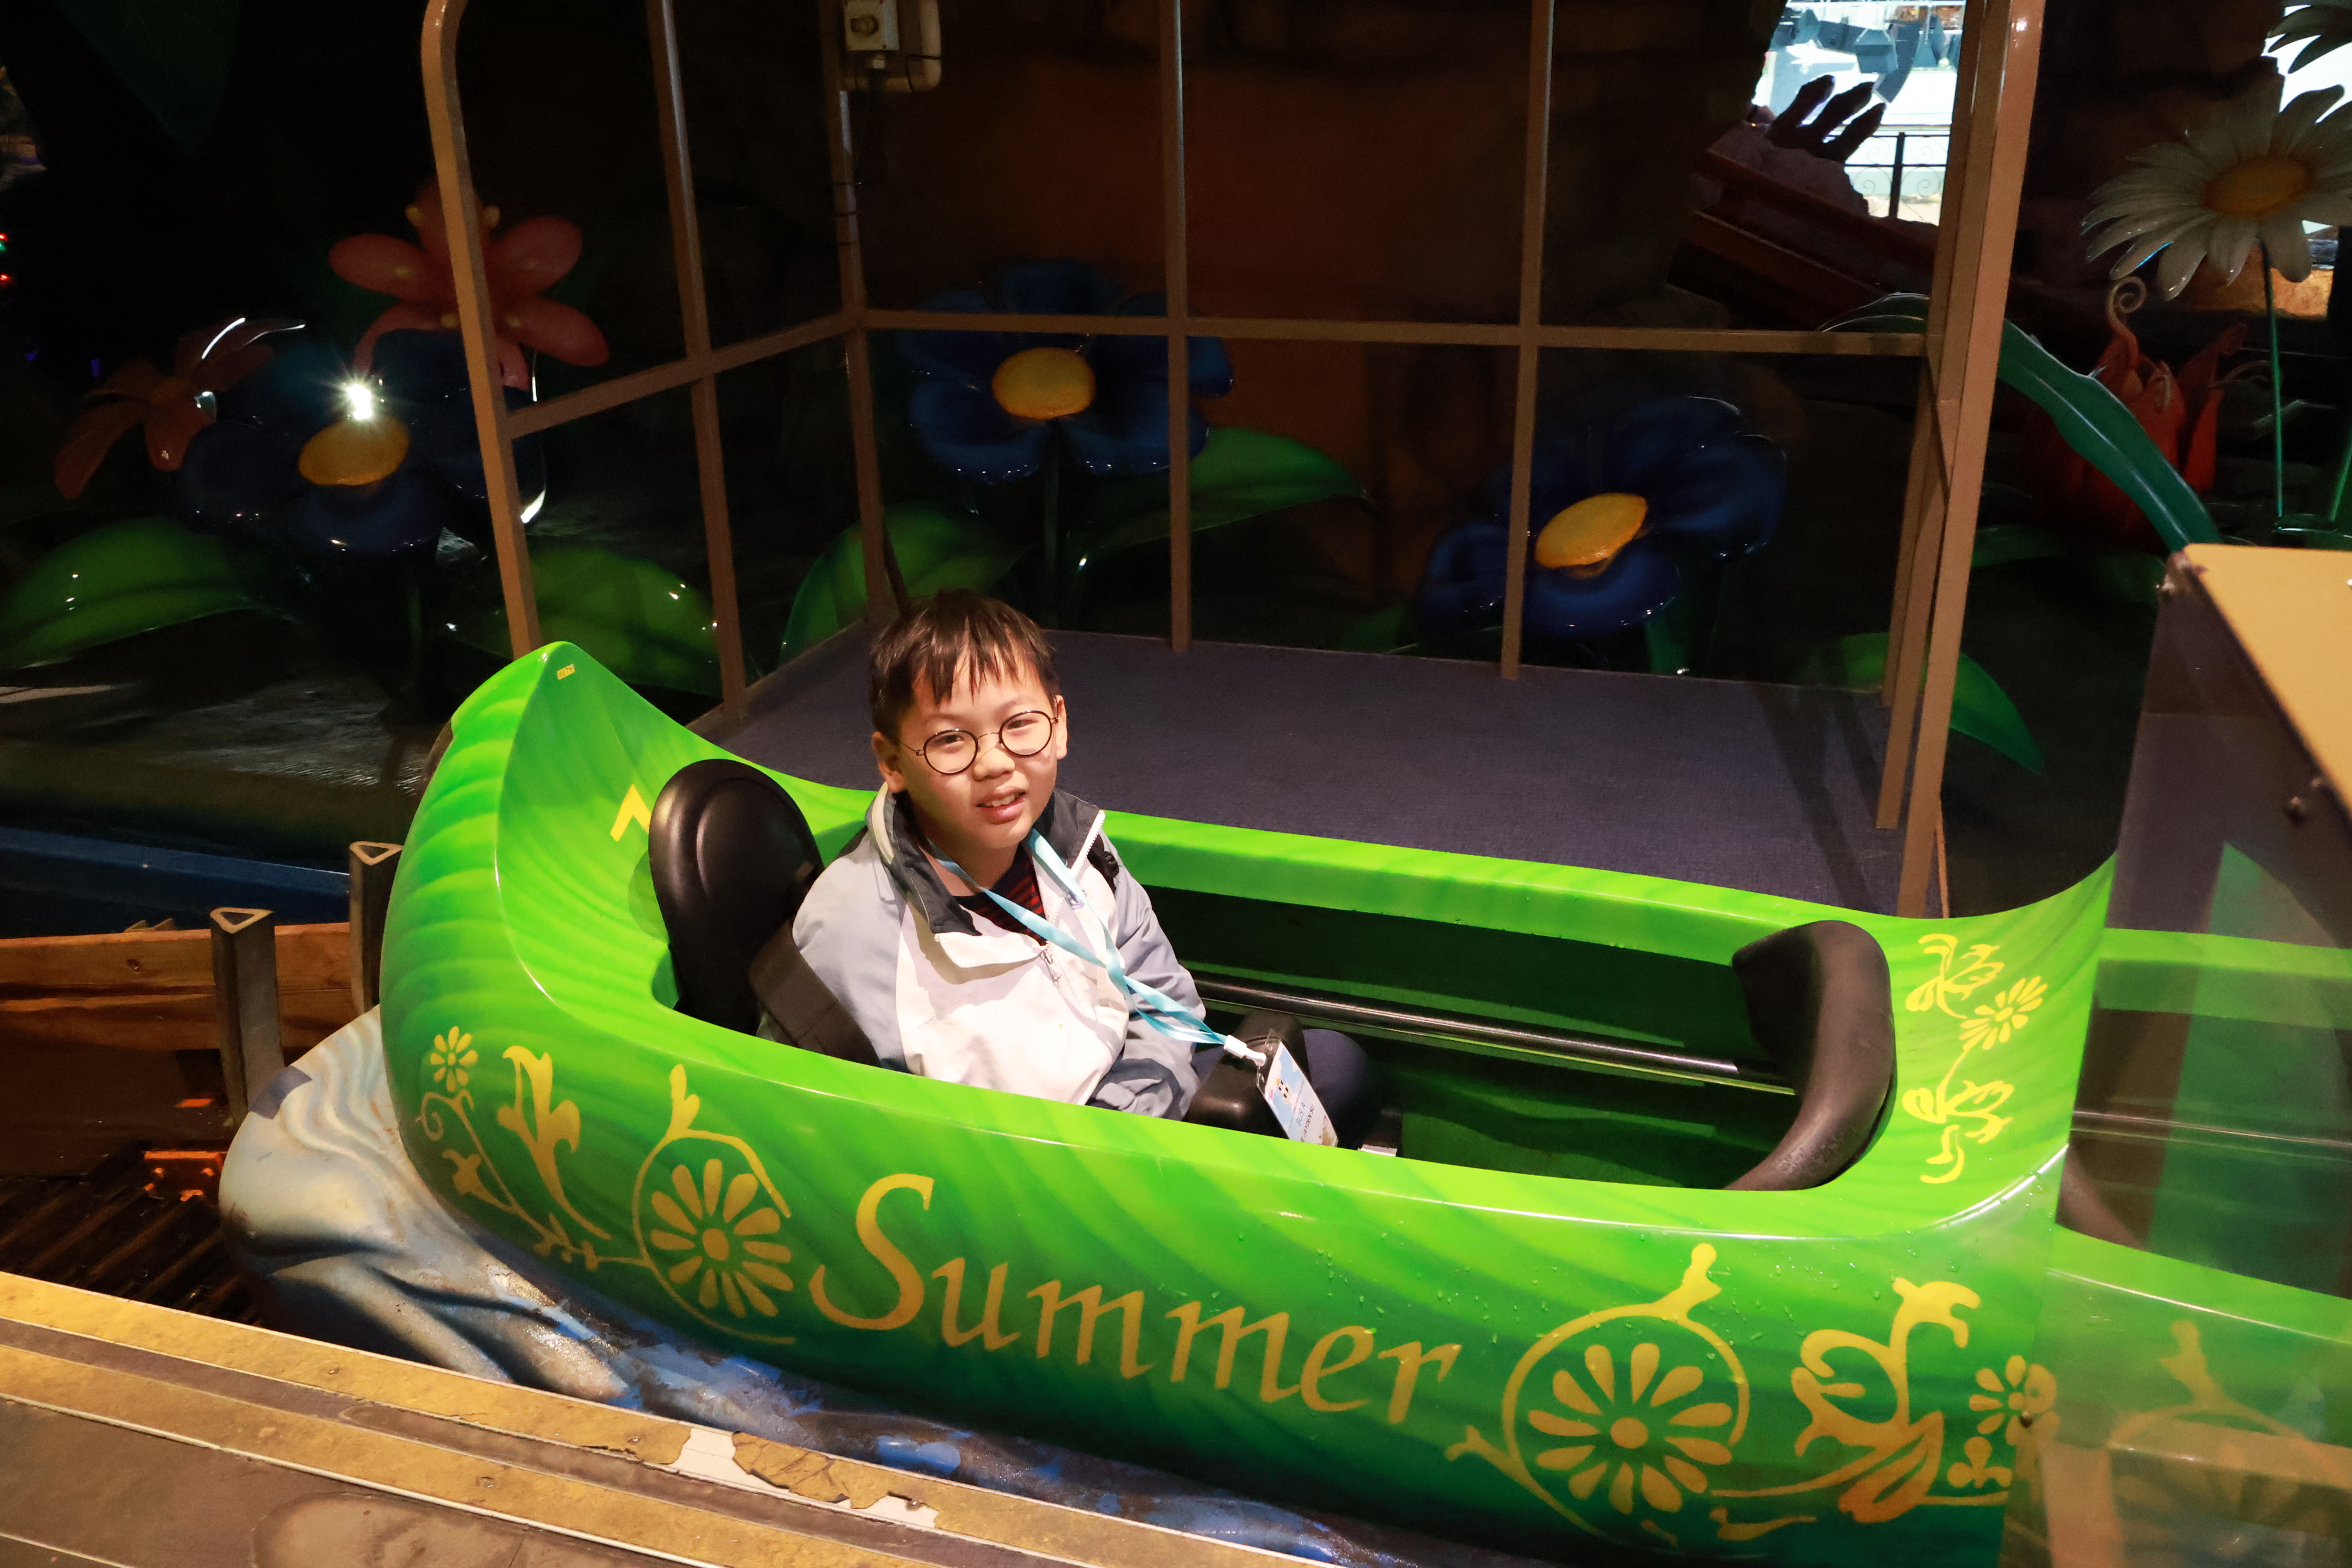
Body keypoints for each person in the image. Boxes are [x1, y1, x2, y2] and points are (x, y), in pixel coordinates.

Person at [789, 590, 1372, 1137]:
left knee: (1335, 1062)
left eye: (1019, 725)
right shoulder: (850, 929)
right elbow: (825, 1133)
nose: (994, 763)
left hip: (1126, 1115)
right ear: (892, 762)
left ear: (1059, 724)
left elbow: (1164, 999)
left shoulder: (1078, 844)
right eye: (951, 740)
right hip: (1014, 1178)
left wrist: (1119, 1124)